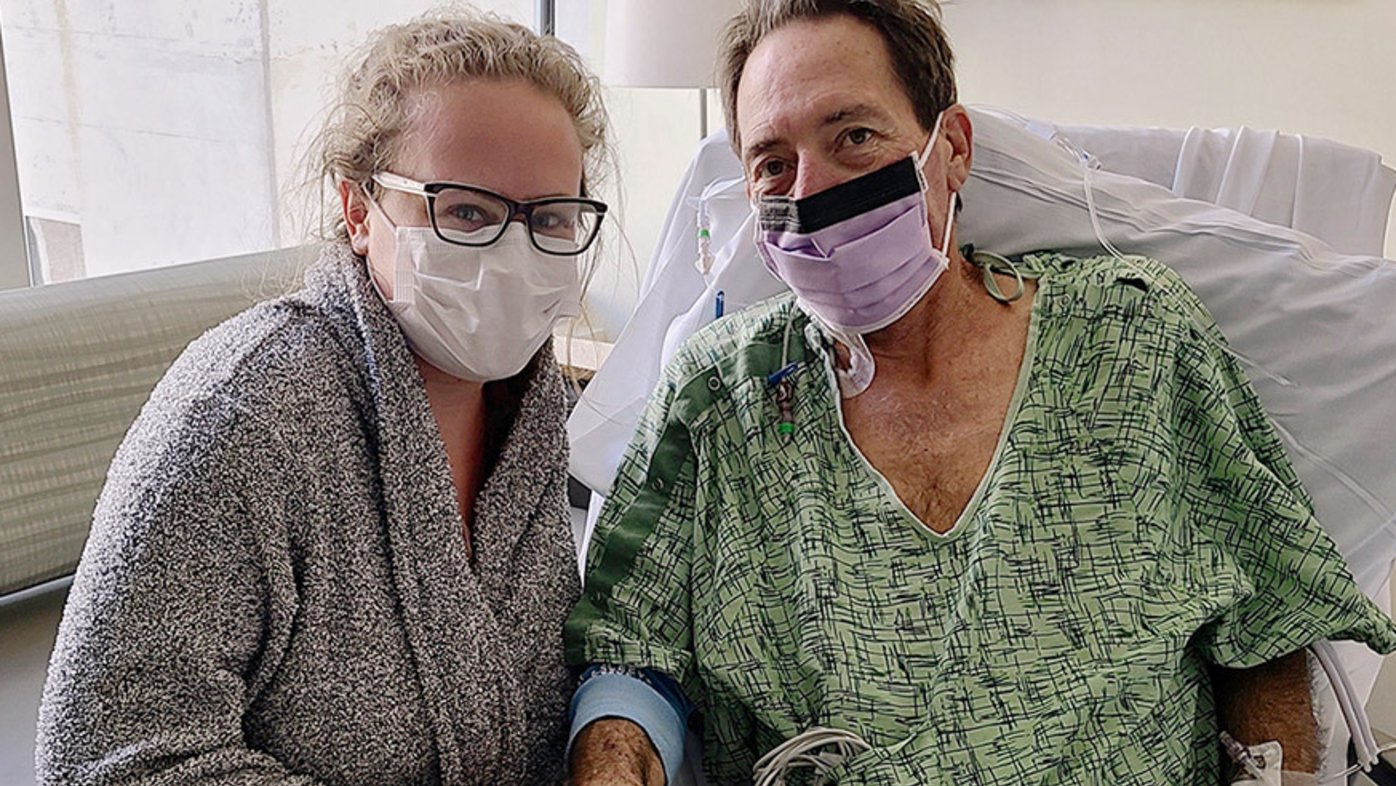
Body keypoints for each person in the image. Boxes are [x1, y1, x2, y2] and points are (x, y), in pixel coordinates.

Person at [564, 1, 1396, 784]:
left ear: (951, 148)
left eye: (854, 136)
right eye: (773, 164)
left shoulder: (1130, 336)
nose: (810, 194)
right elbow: (629, 649)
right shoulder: (721, 394)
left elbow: (1263, 621)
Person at [36, 9, 611, 785]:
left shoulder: (530, 416)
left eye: (547, 218)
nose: (511, 254)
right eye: (466, 210)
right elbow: (105, 760)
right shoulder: (242, 420)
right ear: (359, 209)